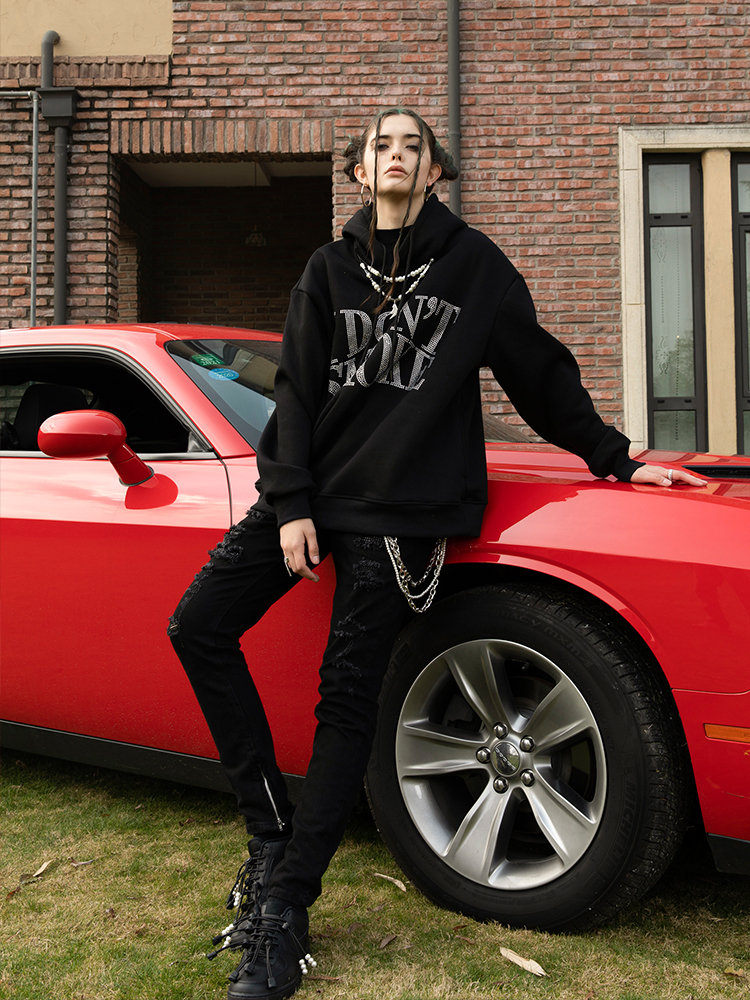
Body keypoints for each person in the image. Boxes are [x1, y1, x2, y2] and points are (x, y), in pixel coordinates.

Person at [168, 107, 706, 1000]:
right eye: (381, 144)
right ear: (358, 169)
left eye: (412, 146)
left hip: (404, 511)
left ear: (434, 171)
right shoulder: (327, 269)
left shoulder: (475, 267)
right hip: (315, 496)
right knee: (197, 626)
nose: (397, 155)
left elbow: (540, 375)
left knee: (347, 699)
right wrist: (290, 502)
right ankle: (270, 834)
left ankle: (287, 906)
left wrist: (615, 457)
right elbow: (296, 391)